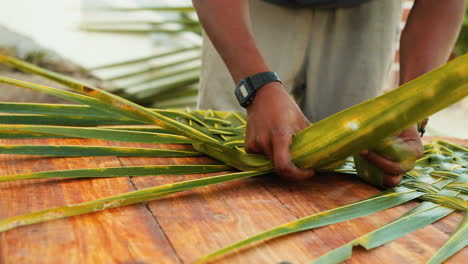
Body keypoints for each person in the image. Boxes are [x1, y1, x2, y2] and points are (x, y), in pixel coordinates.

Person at [192, 0, 466, 186]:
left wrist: (410, 109)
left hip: (367, 10)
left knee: (350, 180)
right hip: (253, 9)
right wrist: (254, 85)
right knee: (230, 162)